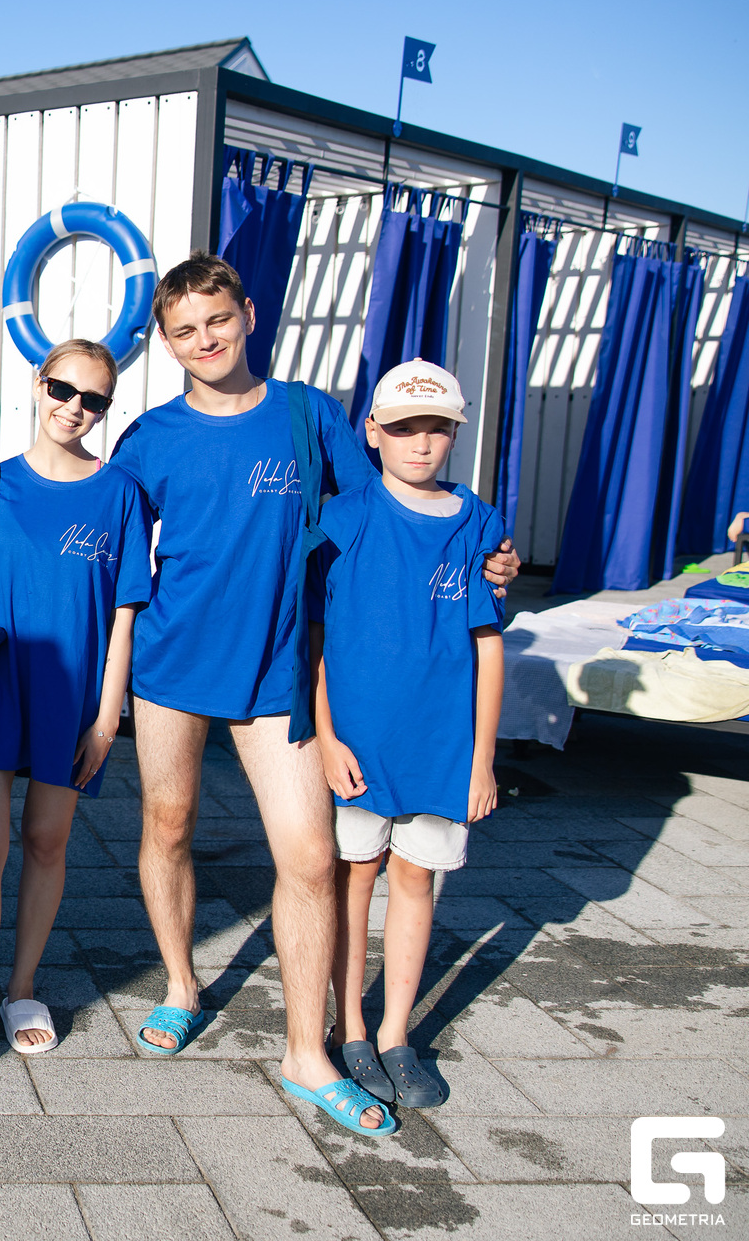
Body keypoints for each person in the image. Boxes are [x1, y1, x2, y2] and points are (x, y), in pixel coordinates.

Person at [108, 252, 518, 1138]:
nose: (206, 340)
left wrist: (485, 553)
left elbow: (394, 511)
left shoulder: (307, 415)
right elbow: (100, 531)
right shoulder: (150, 438)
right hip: (172, 665)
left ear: (249, 315)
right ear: (166, 343)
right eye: (185, 330)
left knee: (308, 859)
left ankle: (306, 1053)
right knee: (167, 827)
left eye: (218, 320)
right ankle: (181, 985)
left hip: (279, 672)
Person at [0, 339, 151, 1071]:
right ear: (38, 383)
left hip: (71, 696)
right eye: (63, 389)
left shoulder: (119, 494)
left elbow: (123, 614)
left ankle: (21, 987)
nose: (73, 408)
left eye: (92, 399)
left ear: (106, 409)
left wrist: (109, 716)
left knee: (47, 842)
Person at [315, 360, 504, 1112]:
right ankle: (351, 1027)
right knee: (354, 878)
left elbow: (488, 646)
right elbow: (313, 638)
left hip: (440, 748)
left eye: (435, 429)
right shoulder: (344, 518)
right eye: (402, 428)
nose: (420, 444)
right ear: (373, 432)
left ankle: (396, 1033)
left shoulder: (479, 523)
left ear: (456, 433)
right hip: (358, 746)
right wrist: (327, 737)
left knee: (417, 881)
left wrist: (482, 759)